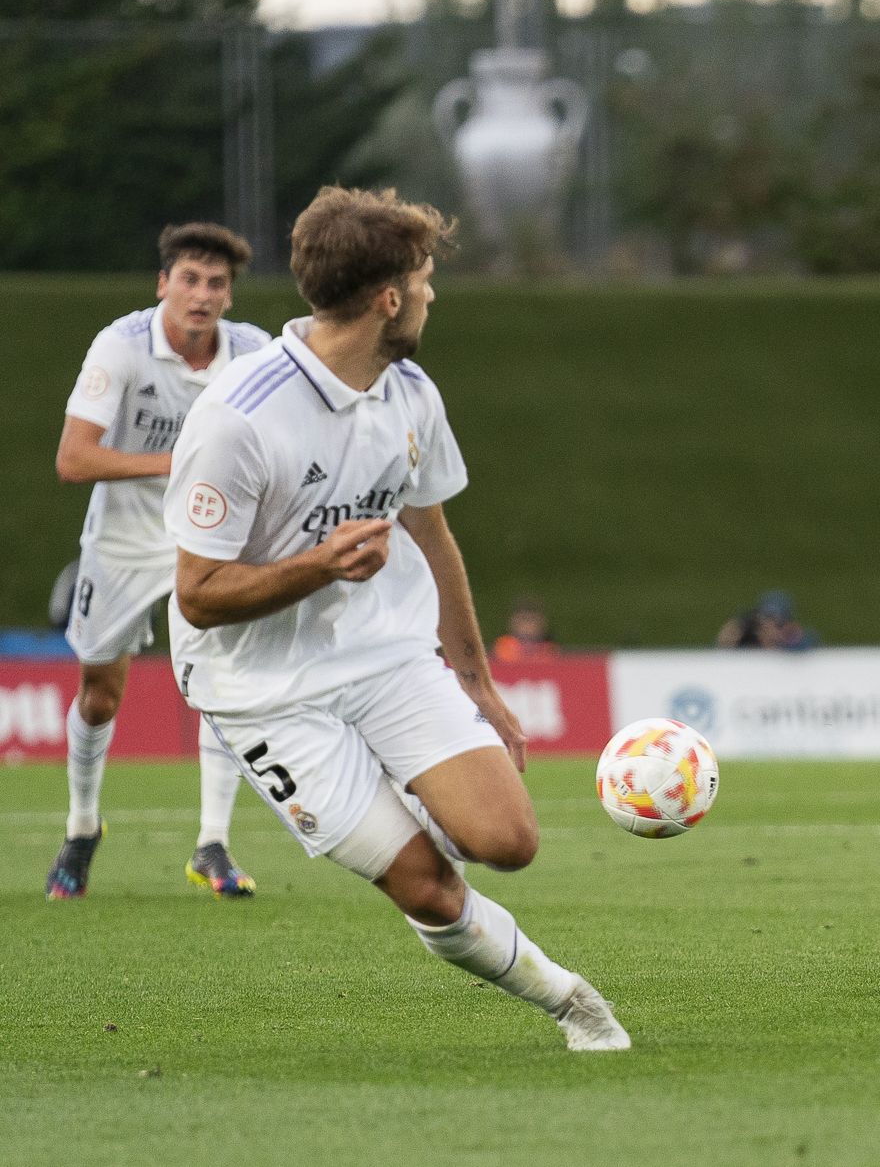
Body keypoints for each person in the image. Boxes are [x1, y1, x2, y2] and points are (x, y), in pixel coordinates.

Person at [162, 186, 627, 1050]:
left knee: (509, 839)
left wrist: (480, 682)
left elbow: (434, 535)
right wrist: (319, 564)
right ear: (387, 299)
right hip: (261, 686)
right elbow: (195, 594)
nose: (431, 294)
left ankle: (409, 812)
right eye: (423, 278)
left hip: (385, 651)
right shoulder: (239, 417)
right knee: (428, 888)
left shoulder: (409, 390)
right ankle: (576, 1005)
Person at [46, 223, 268, 901]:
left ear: (230, 294)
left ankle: (212, 843)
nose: (203, 295)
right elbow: (73, 458)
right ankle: (83, 826)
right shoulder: (122, 346)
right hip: (119, 542)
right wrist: (182, 463)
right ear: (163, 283)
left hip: (206, 541)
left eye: (217, 283)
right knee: (99, 692)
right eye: (190, 279)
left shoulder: (255, 353)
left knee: (222, 686)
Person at [716, 590, 819, 651]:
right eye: (766, 621)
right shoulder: (749, 642)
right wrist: (726, 642)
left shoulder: (797, 641)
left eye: (778, 623)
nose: (770, 628)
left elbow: (807, 647)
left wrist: (786, 640)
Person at [492, 597, 556, 663]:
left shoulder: (548, 649)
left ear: (542, 623)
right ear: (512, 622)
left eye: (532, 620)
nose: (527, 626)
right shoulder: (503, 645)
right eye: (523, 619)